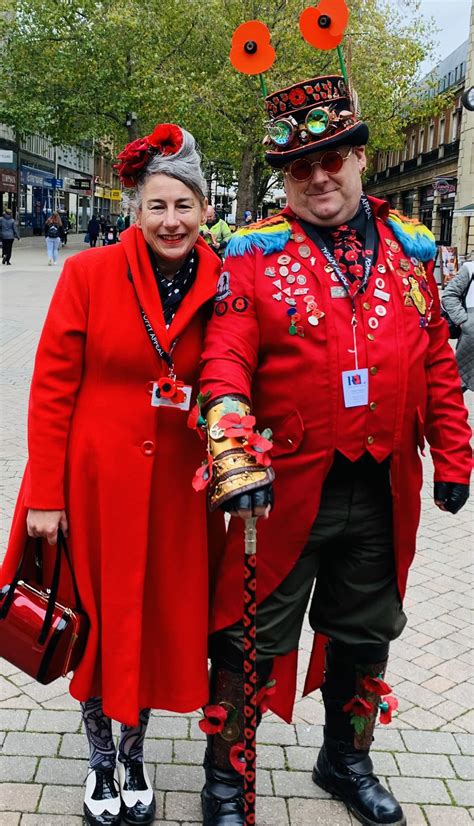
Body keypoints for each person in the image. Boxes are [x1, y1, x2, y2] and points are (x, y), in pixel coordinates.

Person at [196, 74, 472, 826]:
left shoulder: (412, 254)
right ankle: (227, 777)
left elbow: (438, 364)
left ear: (358, 158)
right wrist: (231, 452)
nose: (319, 177)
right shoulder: (253, 257)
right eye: (301, 168)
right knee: (249, 633)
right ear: (287, 178)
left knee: (367, 629)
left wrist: (454, 454)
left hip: (382, 485)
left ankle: (345, 759)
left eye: (332, 160)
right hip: (279, 488)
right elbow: (224, 361)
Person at [0, 122, 224, 826]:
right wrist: (42, 493)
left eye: (184, 205)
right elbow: (51, 389)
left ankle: (136, 754)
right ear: (134, 210)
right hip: (93, 490)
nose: (171, 220)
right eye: (157, 206)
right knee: (99, 624)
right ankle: (102, 759)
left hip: (177, 497)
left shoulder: (225, 281)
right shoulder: (87, 274)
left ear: (206, 209)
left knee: (152, 623)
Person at [442, 261, 474, 392]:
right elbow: (449, 295)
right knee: (456, 385)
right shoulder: (470, 268)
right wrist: (463, 321)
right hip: (471, 340)